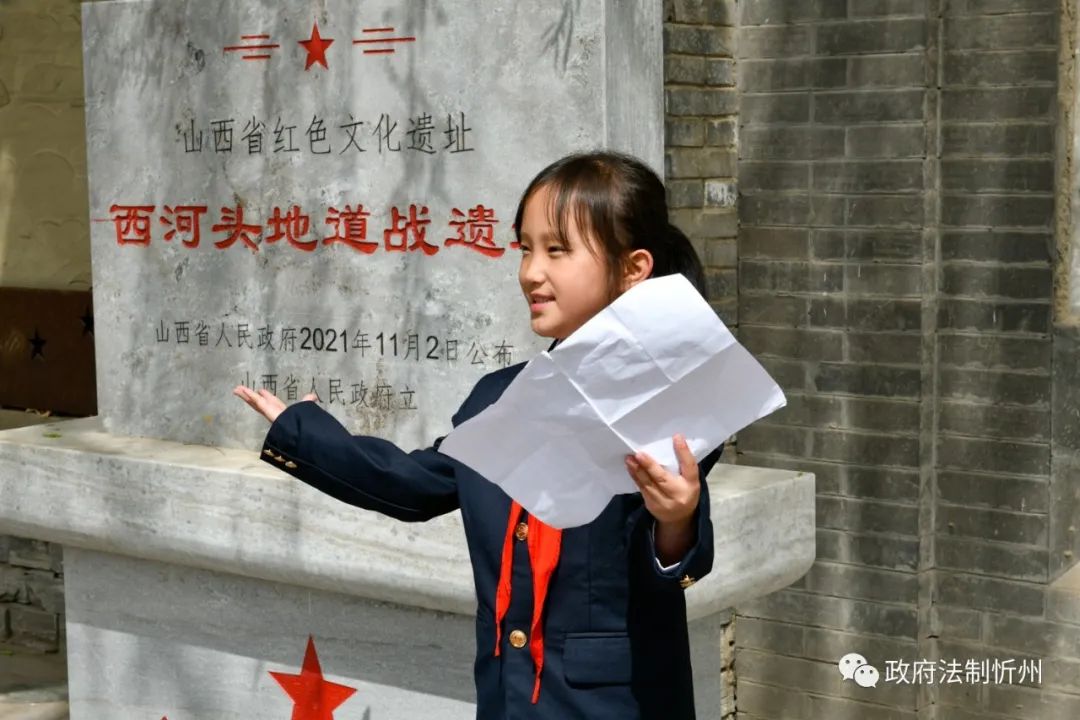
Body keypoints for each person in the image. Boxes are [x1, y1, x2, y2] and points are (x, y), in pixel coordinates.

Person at [234, 150, 725, 720]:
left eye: (557, 250)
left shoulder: (667, 402)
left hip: (617, 704)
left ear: (632, 267)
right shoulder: (500, 396)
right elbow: (419, 484)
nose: (530, 272)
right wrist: (303, 433)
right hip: (508, 698)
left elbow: (671, 565)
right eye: (525, 248)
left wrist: (676, 520)